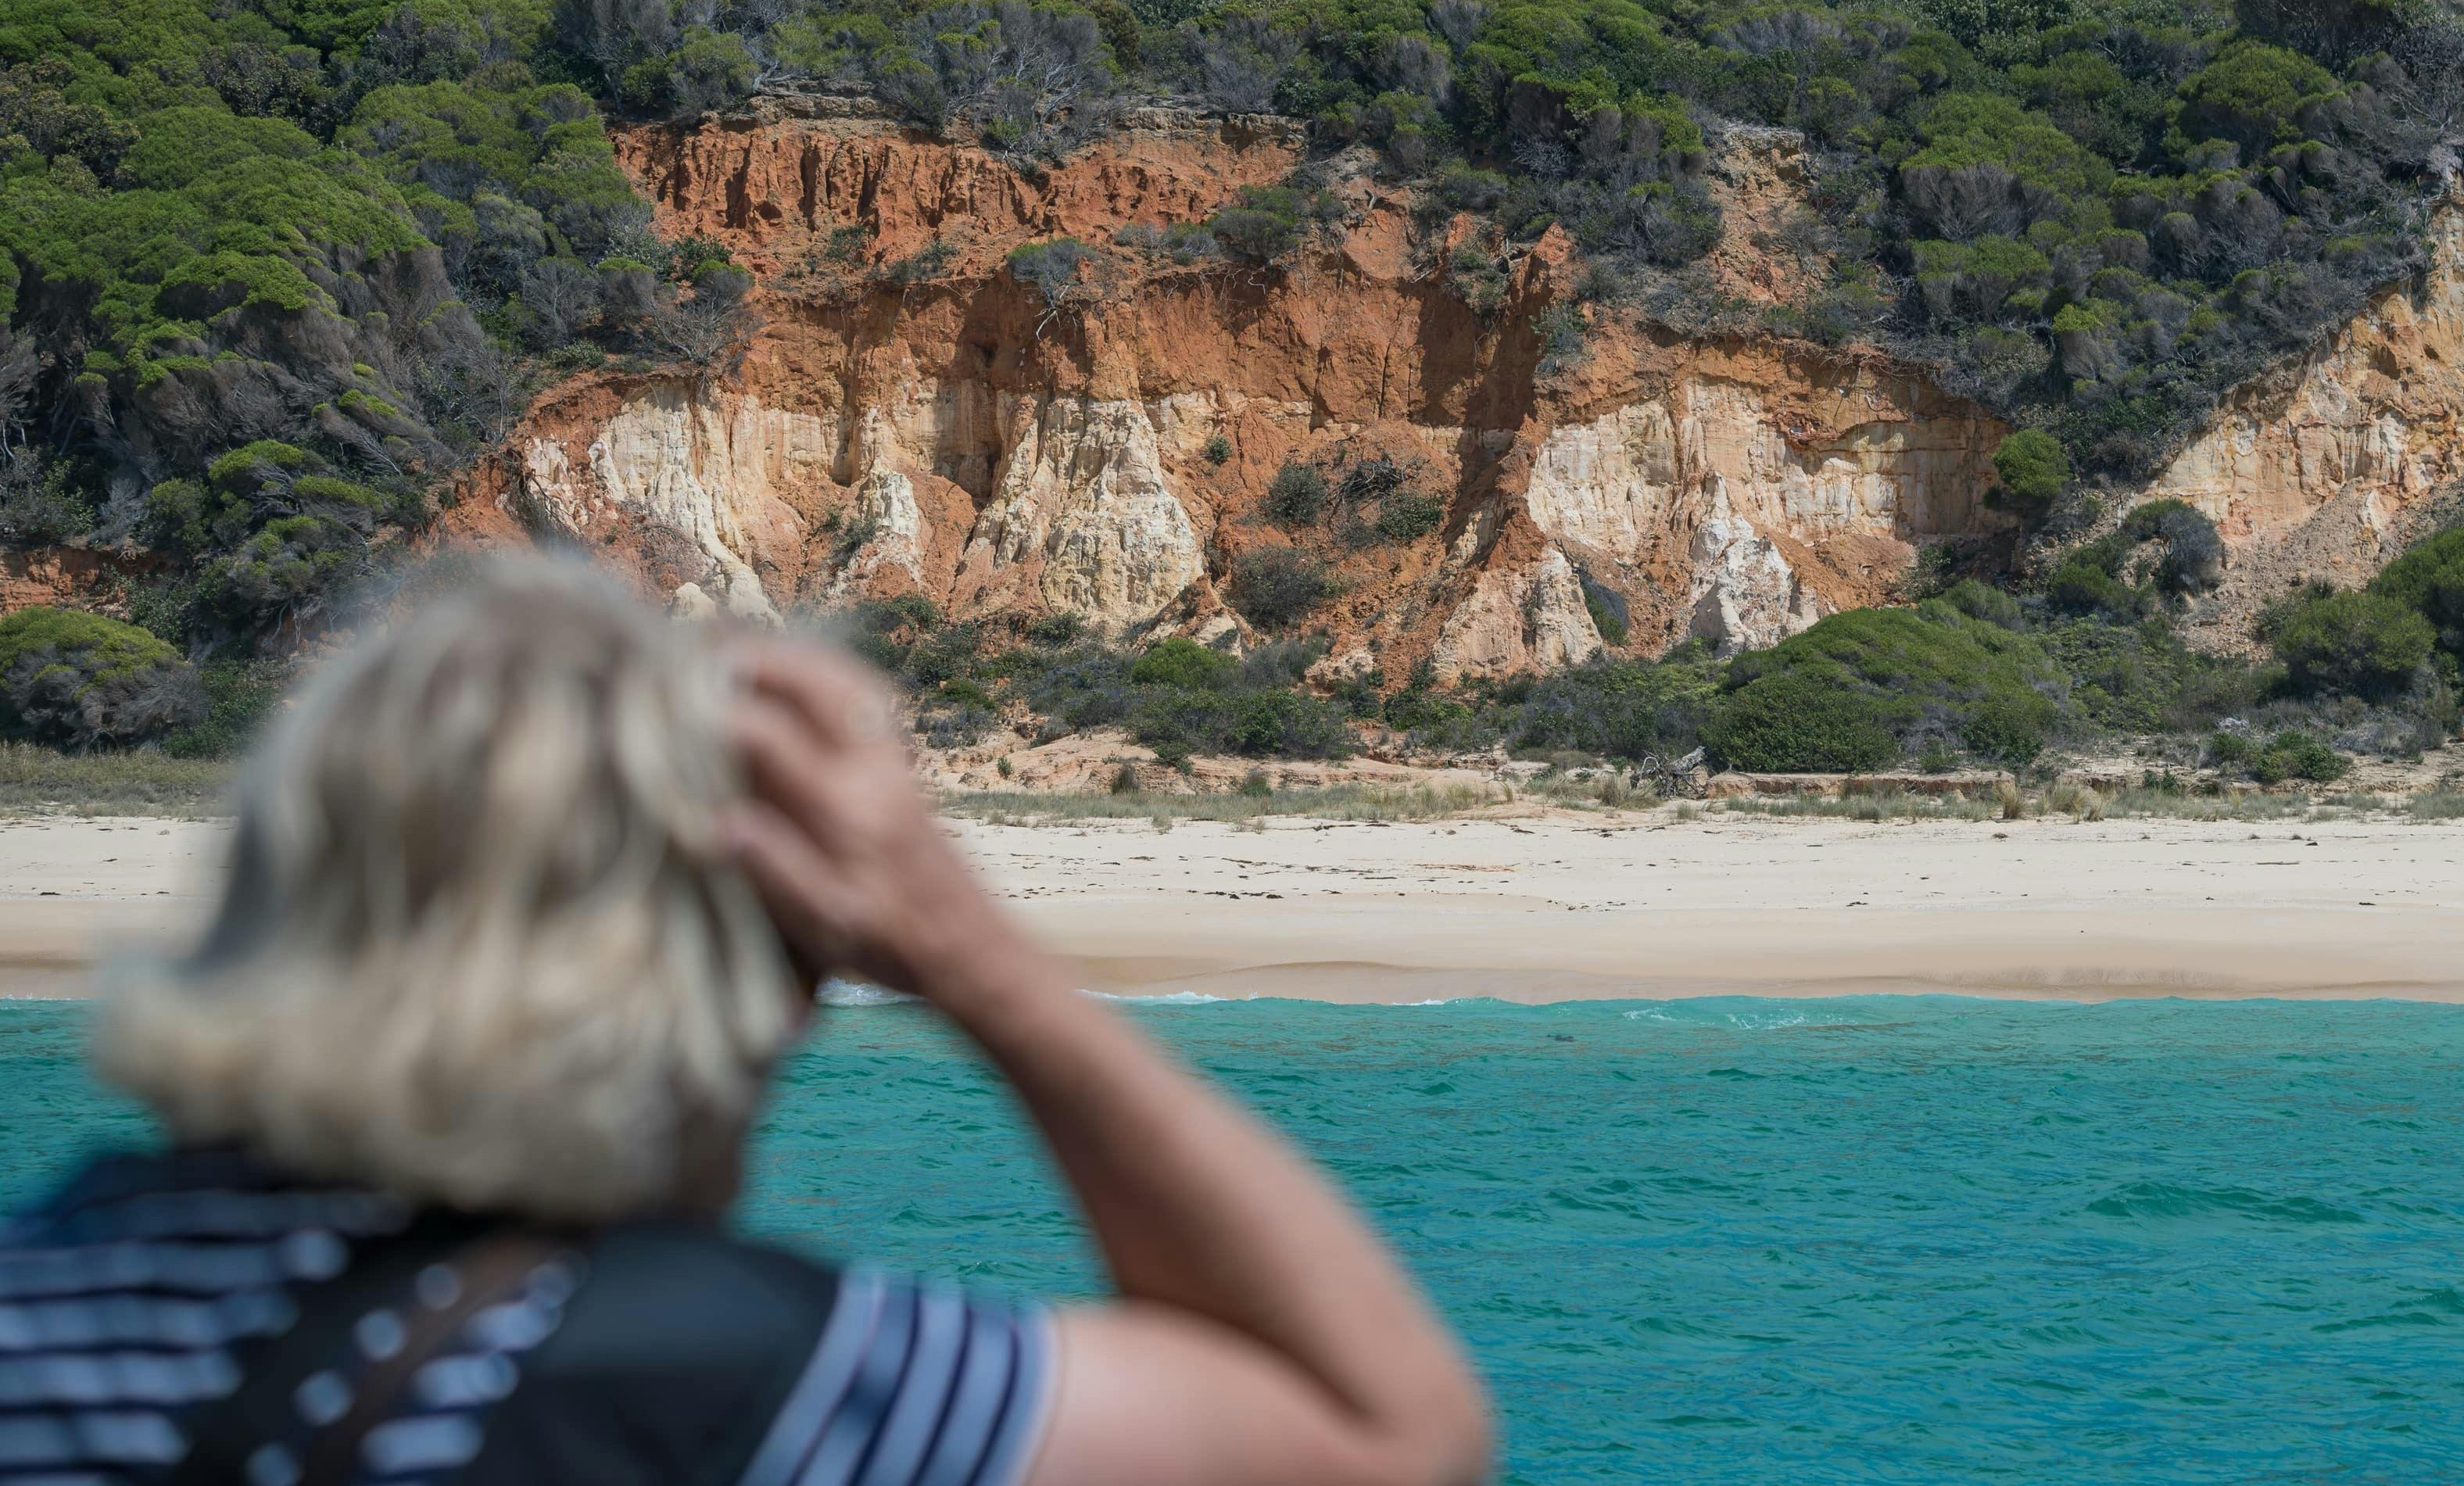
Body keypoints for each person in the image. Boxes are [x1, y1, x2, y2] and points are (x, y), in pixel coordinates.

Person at [0, 553, 1495, 1486]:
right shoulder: (707, 1368)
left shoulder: (42, 1288)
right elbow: (1392, 1434)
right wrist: (976, 959)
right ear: (759, 976)